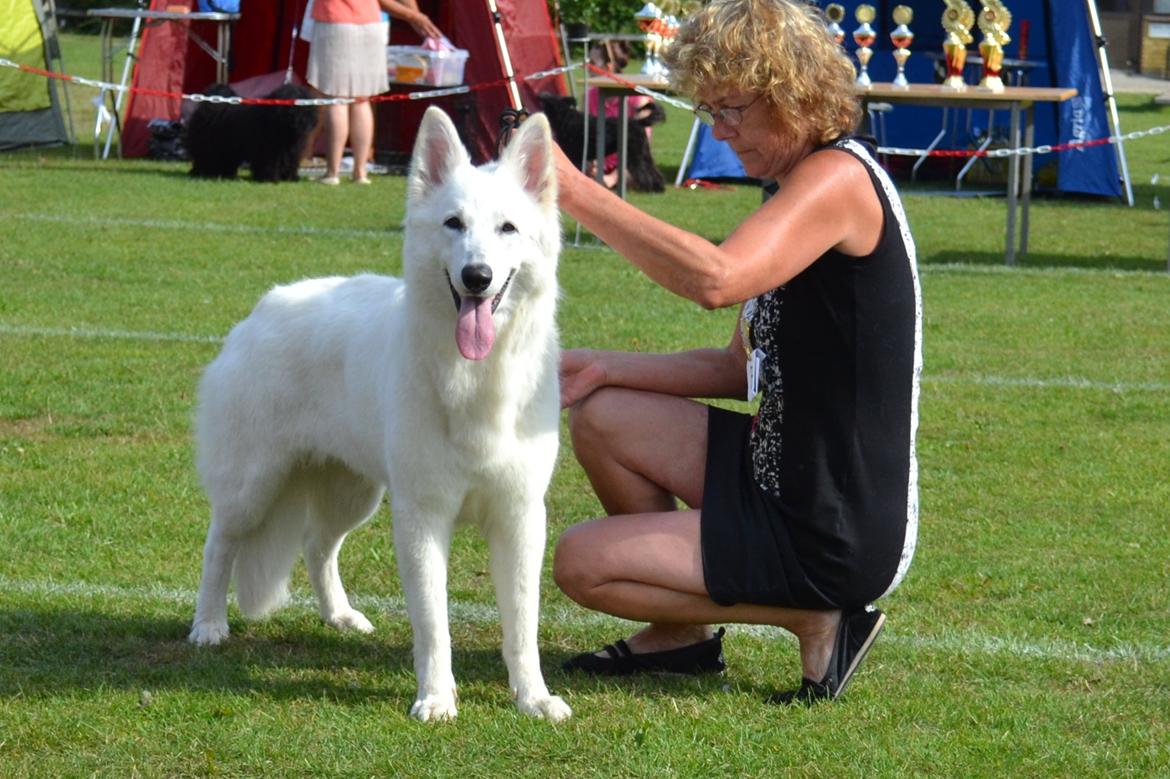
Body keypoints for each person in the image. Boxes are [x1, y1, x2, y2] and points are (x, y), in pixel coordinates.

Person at [550, 0, 922, 704]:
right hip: (780, 473)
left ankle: (815, 613)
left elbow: (715, 280)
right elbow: (736, 367)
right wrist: (603, 366)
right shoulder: (797, 183)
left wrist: (574, 191)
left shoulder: (837, 180)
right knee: (602, 414)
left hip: (832, 525)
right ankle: (680, 632)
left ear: (791, 93)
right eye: (709, 113)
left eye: (732, 110)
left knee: (581, 562)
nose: (720, 133)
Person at [307, 0, 442, 184]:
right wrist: (415, 15)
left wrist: (415, 16)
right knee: (362, 100)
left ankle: (332, 173)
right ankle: (360, 172)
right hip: (370, 24)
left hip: (335, 20)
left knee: (337, 98)